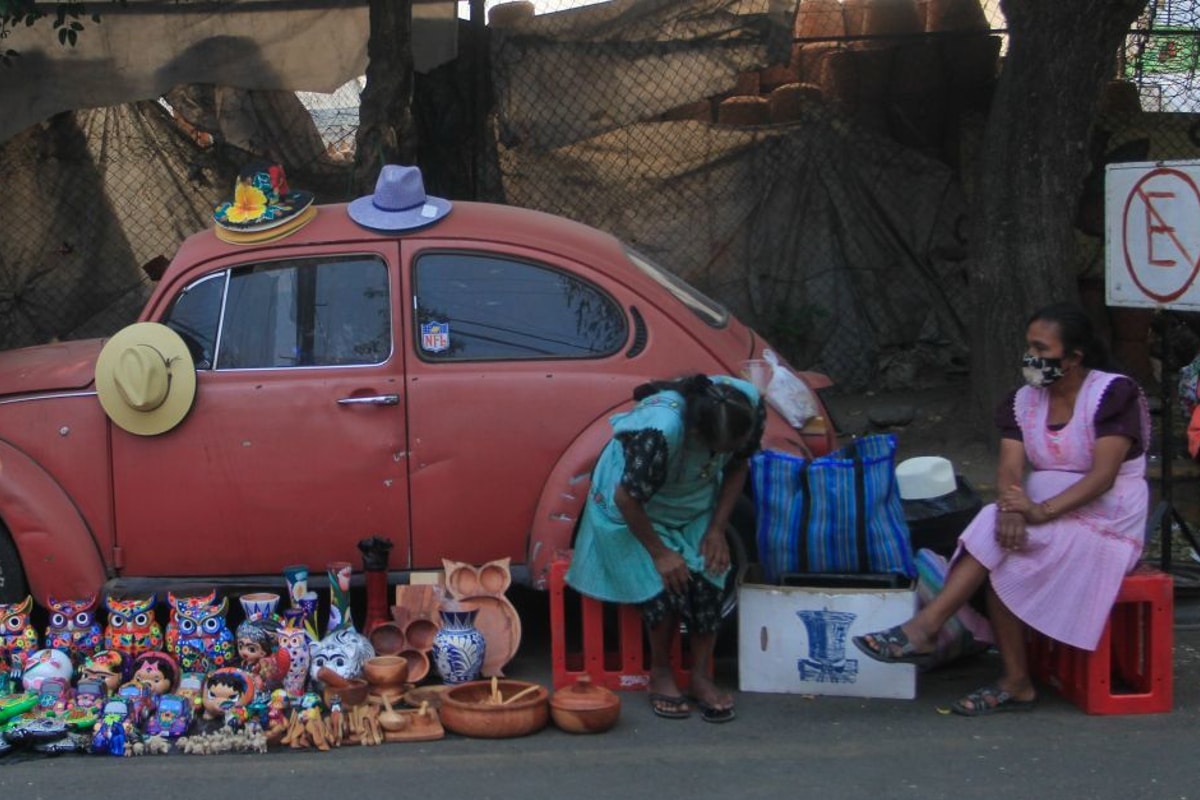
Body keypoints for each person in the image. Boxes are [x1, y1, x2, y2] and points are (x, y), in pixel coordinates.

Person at [853, 302, 1150, 715]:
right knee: (998, 540)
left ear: (1074, 357)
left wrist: (1039, 511)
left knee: (996, 538)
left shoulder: (1112, 394)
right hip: (1040, 512)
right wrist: (1013, 508)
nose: (1031, 358)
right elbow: (1011, 466)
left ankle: (929, 628)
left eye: (1042, 349)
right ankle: (1013, 680)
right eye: (1029, 346)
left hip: (1105, 521)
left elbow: (1103, 477)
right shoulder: (1023, 401)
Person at [566, 374, 765, 723]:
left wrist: (717, 529)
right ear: (699, 437)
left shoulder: (743, 405)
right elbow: (627, 498)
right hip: (631, 509)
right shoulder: (660, 432)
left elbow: (738, 465)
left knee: (710, 571)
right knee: (664, 583)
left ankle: (702, 676)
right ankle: (661, 672)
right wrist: (661, 553)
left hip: (694, 502)